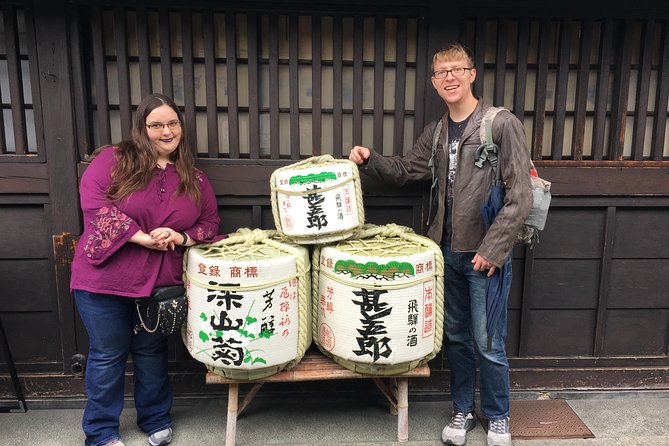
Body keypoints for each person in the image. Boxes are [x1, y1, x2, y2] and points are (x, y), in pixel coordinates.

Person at [349, 44, 532, 446]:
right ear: (434, 82)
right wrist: (369, 160)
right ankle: (462, 409)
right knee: (456, 339)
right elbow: (406, 171)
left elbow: (521, 194)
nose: (449, 77)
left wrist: (494, 249)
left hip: (486, 255)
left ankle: (498, 414)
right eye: (441, 72)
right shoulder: (435, 133)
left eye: (456, 69)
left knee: (489, 340)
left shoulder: (500, 124)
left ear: (471, 74)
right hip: (444, 253)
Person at [70, 93, 222, 446]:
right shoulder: (114, 159)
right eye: (156, 125)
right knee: (108, 354)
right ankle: (101, 432)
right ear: (142, 128)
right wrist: (139, 237)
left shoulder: (194, 178)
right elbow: (94, 203)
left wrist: (180, 236)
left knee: (151, 353)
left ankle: (155, 418)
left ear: (181, 127)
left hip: (158, 283)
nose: (166, 131)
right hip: (104, 278)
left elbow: (210, 223)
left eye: (172, 123)